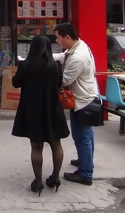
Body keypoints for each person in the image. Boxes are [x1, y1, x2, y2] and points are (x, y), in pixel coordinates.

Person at [11, 35, 70, 196]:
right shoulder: (55, 65)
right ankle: (55, 178)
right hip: (53, 109)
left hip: (32, 110)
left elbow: (16, 82)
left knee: (36, 146)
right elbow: (59, 84)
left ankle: (38, 182)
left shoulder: (26, 65)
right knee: (56, 144)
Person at [53, 22, 99, 186]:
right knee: (87, 135)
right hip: (85, 97)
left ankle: (85, 173)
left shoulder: (78, 57)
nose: (57, 41)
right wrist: (46, 56)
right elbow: (63, 56)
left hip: (82, 101)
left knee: (82, 137)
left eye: (58, 38)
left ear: (67, 37)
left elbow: (64, 81)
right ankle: (86, 161)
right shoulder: (77, 47)